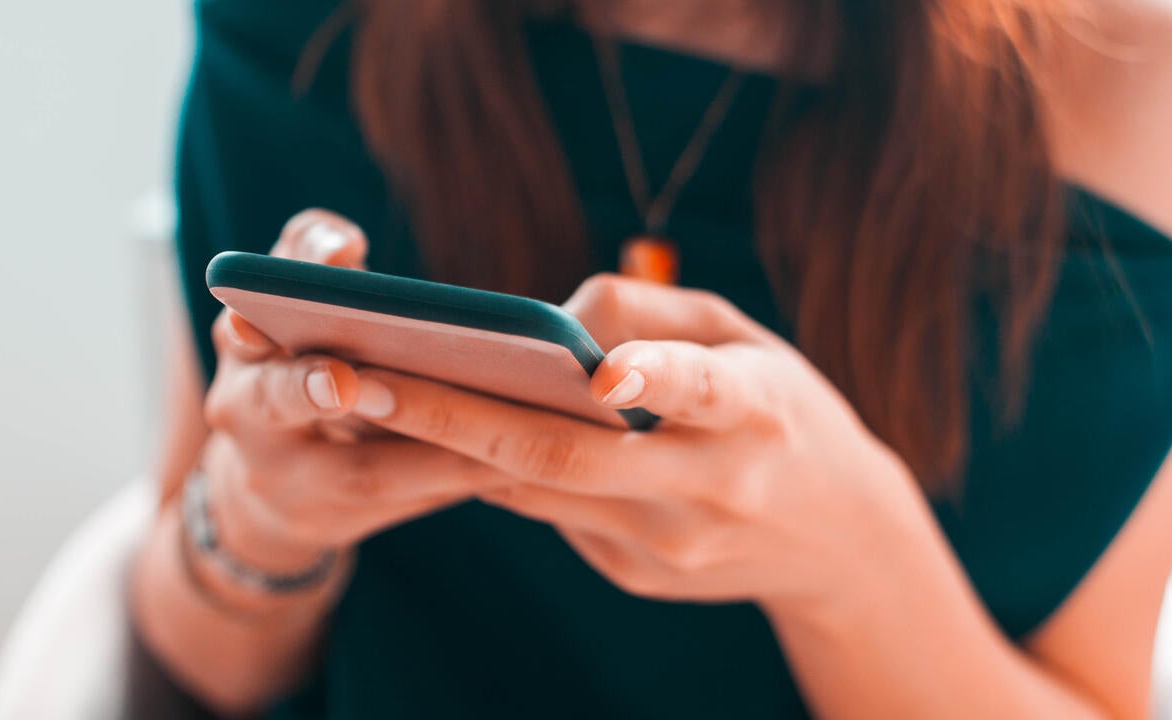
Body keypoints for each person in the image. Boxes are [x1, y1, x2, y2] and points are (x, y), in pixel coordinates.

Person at [129, 1, 1172, 717]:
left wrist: (851, 562)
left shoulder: (1127, 88)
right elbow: (190, 659)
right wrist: (261, 527)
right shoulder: (291, 35)